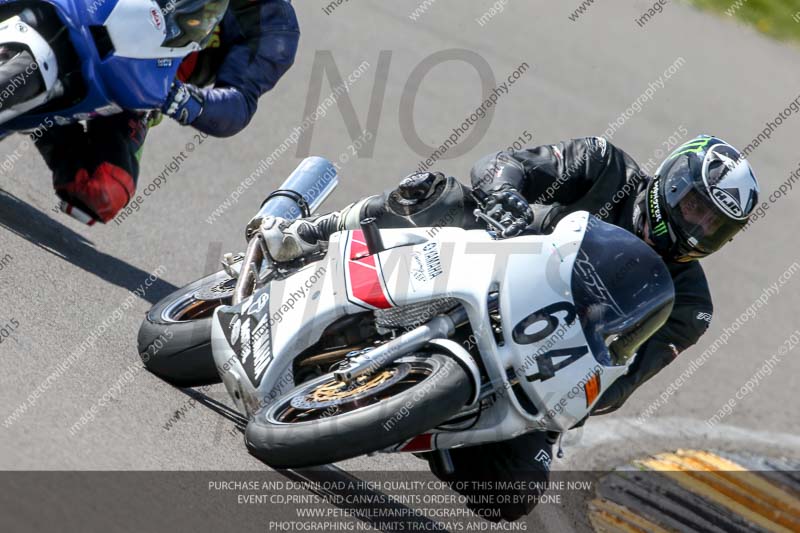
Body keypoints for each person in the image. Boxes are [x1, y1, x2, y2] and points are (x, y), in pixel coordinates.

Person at [258, 134, 760, 521]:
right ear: (673, 184)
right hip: (487, 262)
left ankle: (426, 420)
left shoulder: (691, 305)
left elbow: (619, 383)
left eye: (716, 226)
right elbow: (505, 165)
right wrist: (505, 194)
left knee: (513, 492)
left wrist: (582, 385)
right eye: (696, 207)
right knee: (443, 196)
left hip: (540, 362)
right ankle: (310, 234)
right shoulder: (604, 165)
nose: (698, 228)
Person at [34, 0, 300, 225]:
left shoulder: (276, 27)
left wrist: (183, 100)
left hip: (138, 84)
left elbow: (239, 101)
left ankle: (29, 116)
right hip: (91, 11)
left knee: (105, 190)